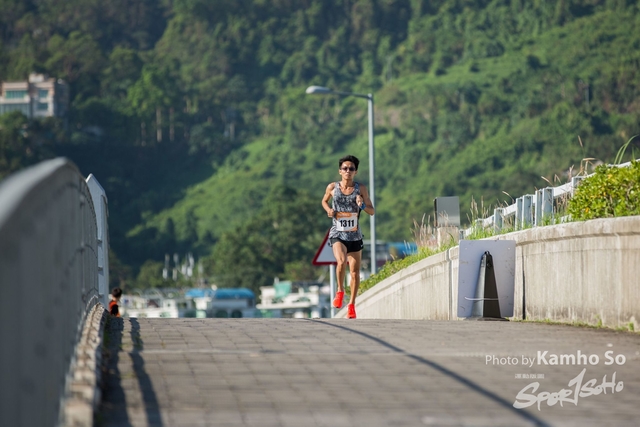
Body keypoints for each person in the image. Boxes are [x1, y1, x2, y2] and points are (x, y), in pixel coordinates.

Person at [321, 155, 375, 319]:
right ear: (340, 171)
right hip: (338, 232)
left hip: (355, 235)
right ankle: (340, 290)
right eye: (345, 168)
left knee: (355, 273)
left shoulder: (361, 189)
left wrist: (362, 205)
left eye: (351, 169)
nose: (348, 171)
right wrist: (329, 210)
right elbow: (324, 201)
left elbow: (372, 211)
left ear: (355, 172)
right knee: (341, 261)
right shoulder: (332, 187)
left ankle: (351, 305)